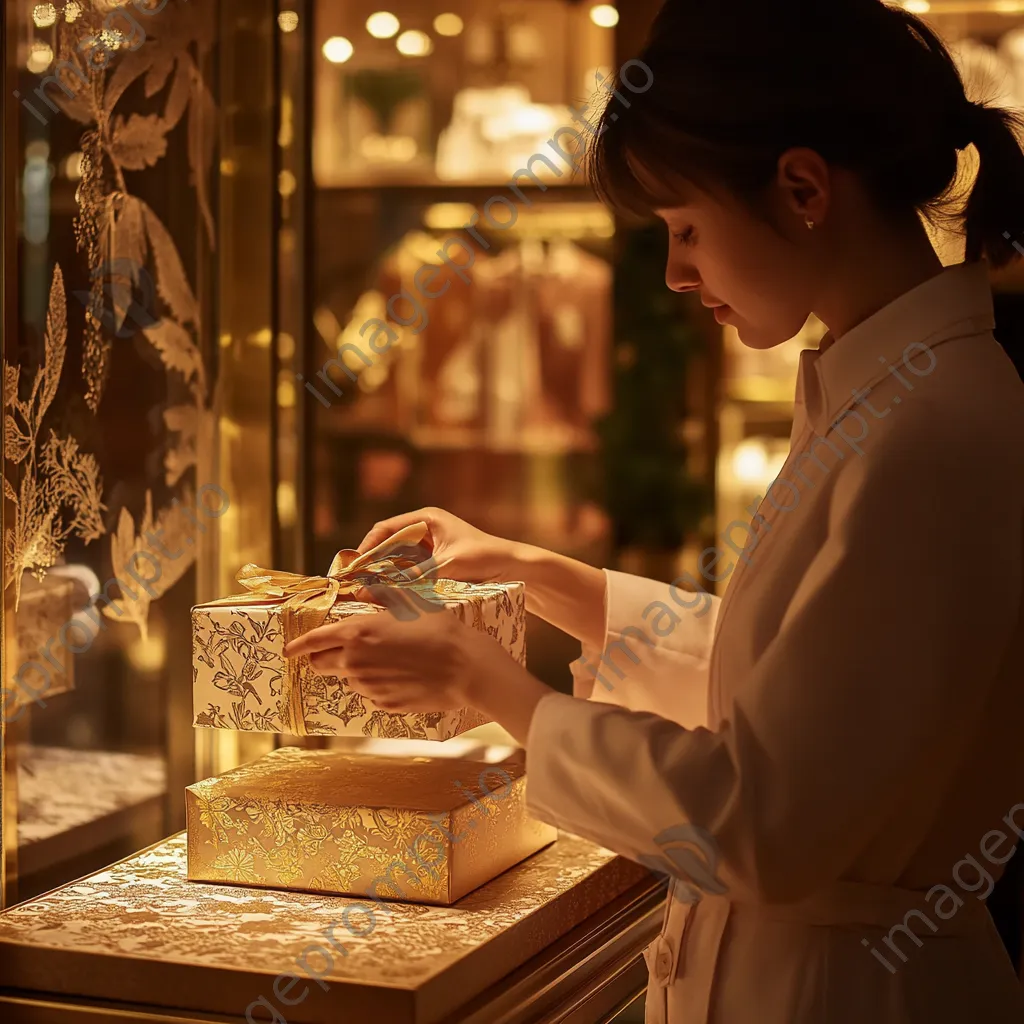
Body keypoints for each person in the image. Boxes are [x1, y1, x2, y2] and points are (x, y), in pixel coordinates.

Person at [284, 1, 1024, 1020]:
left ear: (802, 187)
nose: (675, 273)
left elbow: (769, 818)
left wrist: (486, 680)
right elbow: (799, 691)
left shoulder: (929, 428)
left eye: (684, 228)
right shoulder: (883, 394)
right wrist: (543, 578)